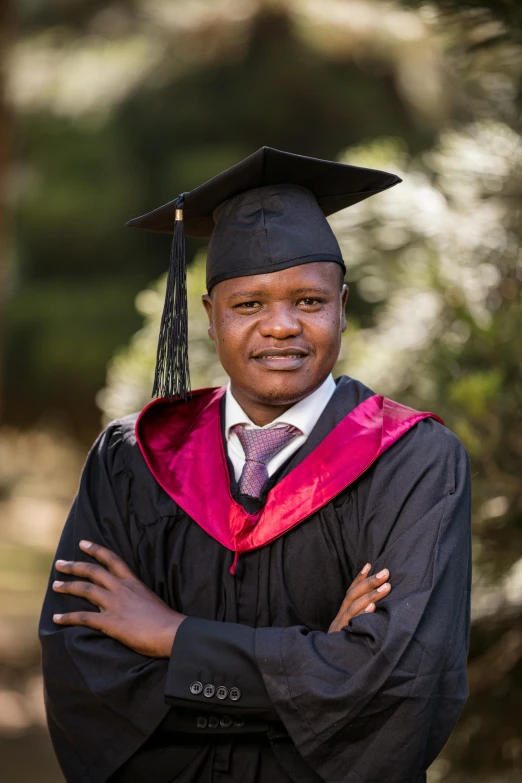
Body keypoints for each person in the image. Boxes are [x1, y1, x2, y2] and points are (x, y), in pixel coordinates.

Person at [38, 147, 472, 783]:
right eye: (248, 305)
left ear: (343, 307)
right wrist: (318, 668)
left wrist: (173, 637)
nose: (280, 327)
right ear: (211, 317)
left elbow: (401, 684)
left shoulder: (412, 460)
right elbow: (83, 671)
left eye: (308, 301)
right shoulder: (133, 458)